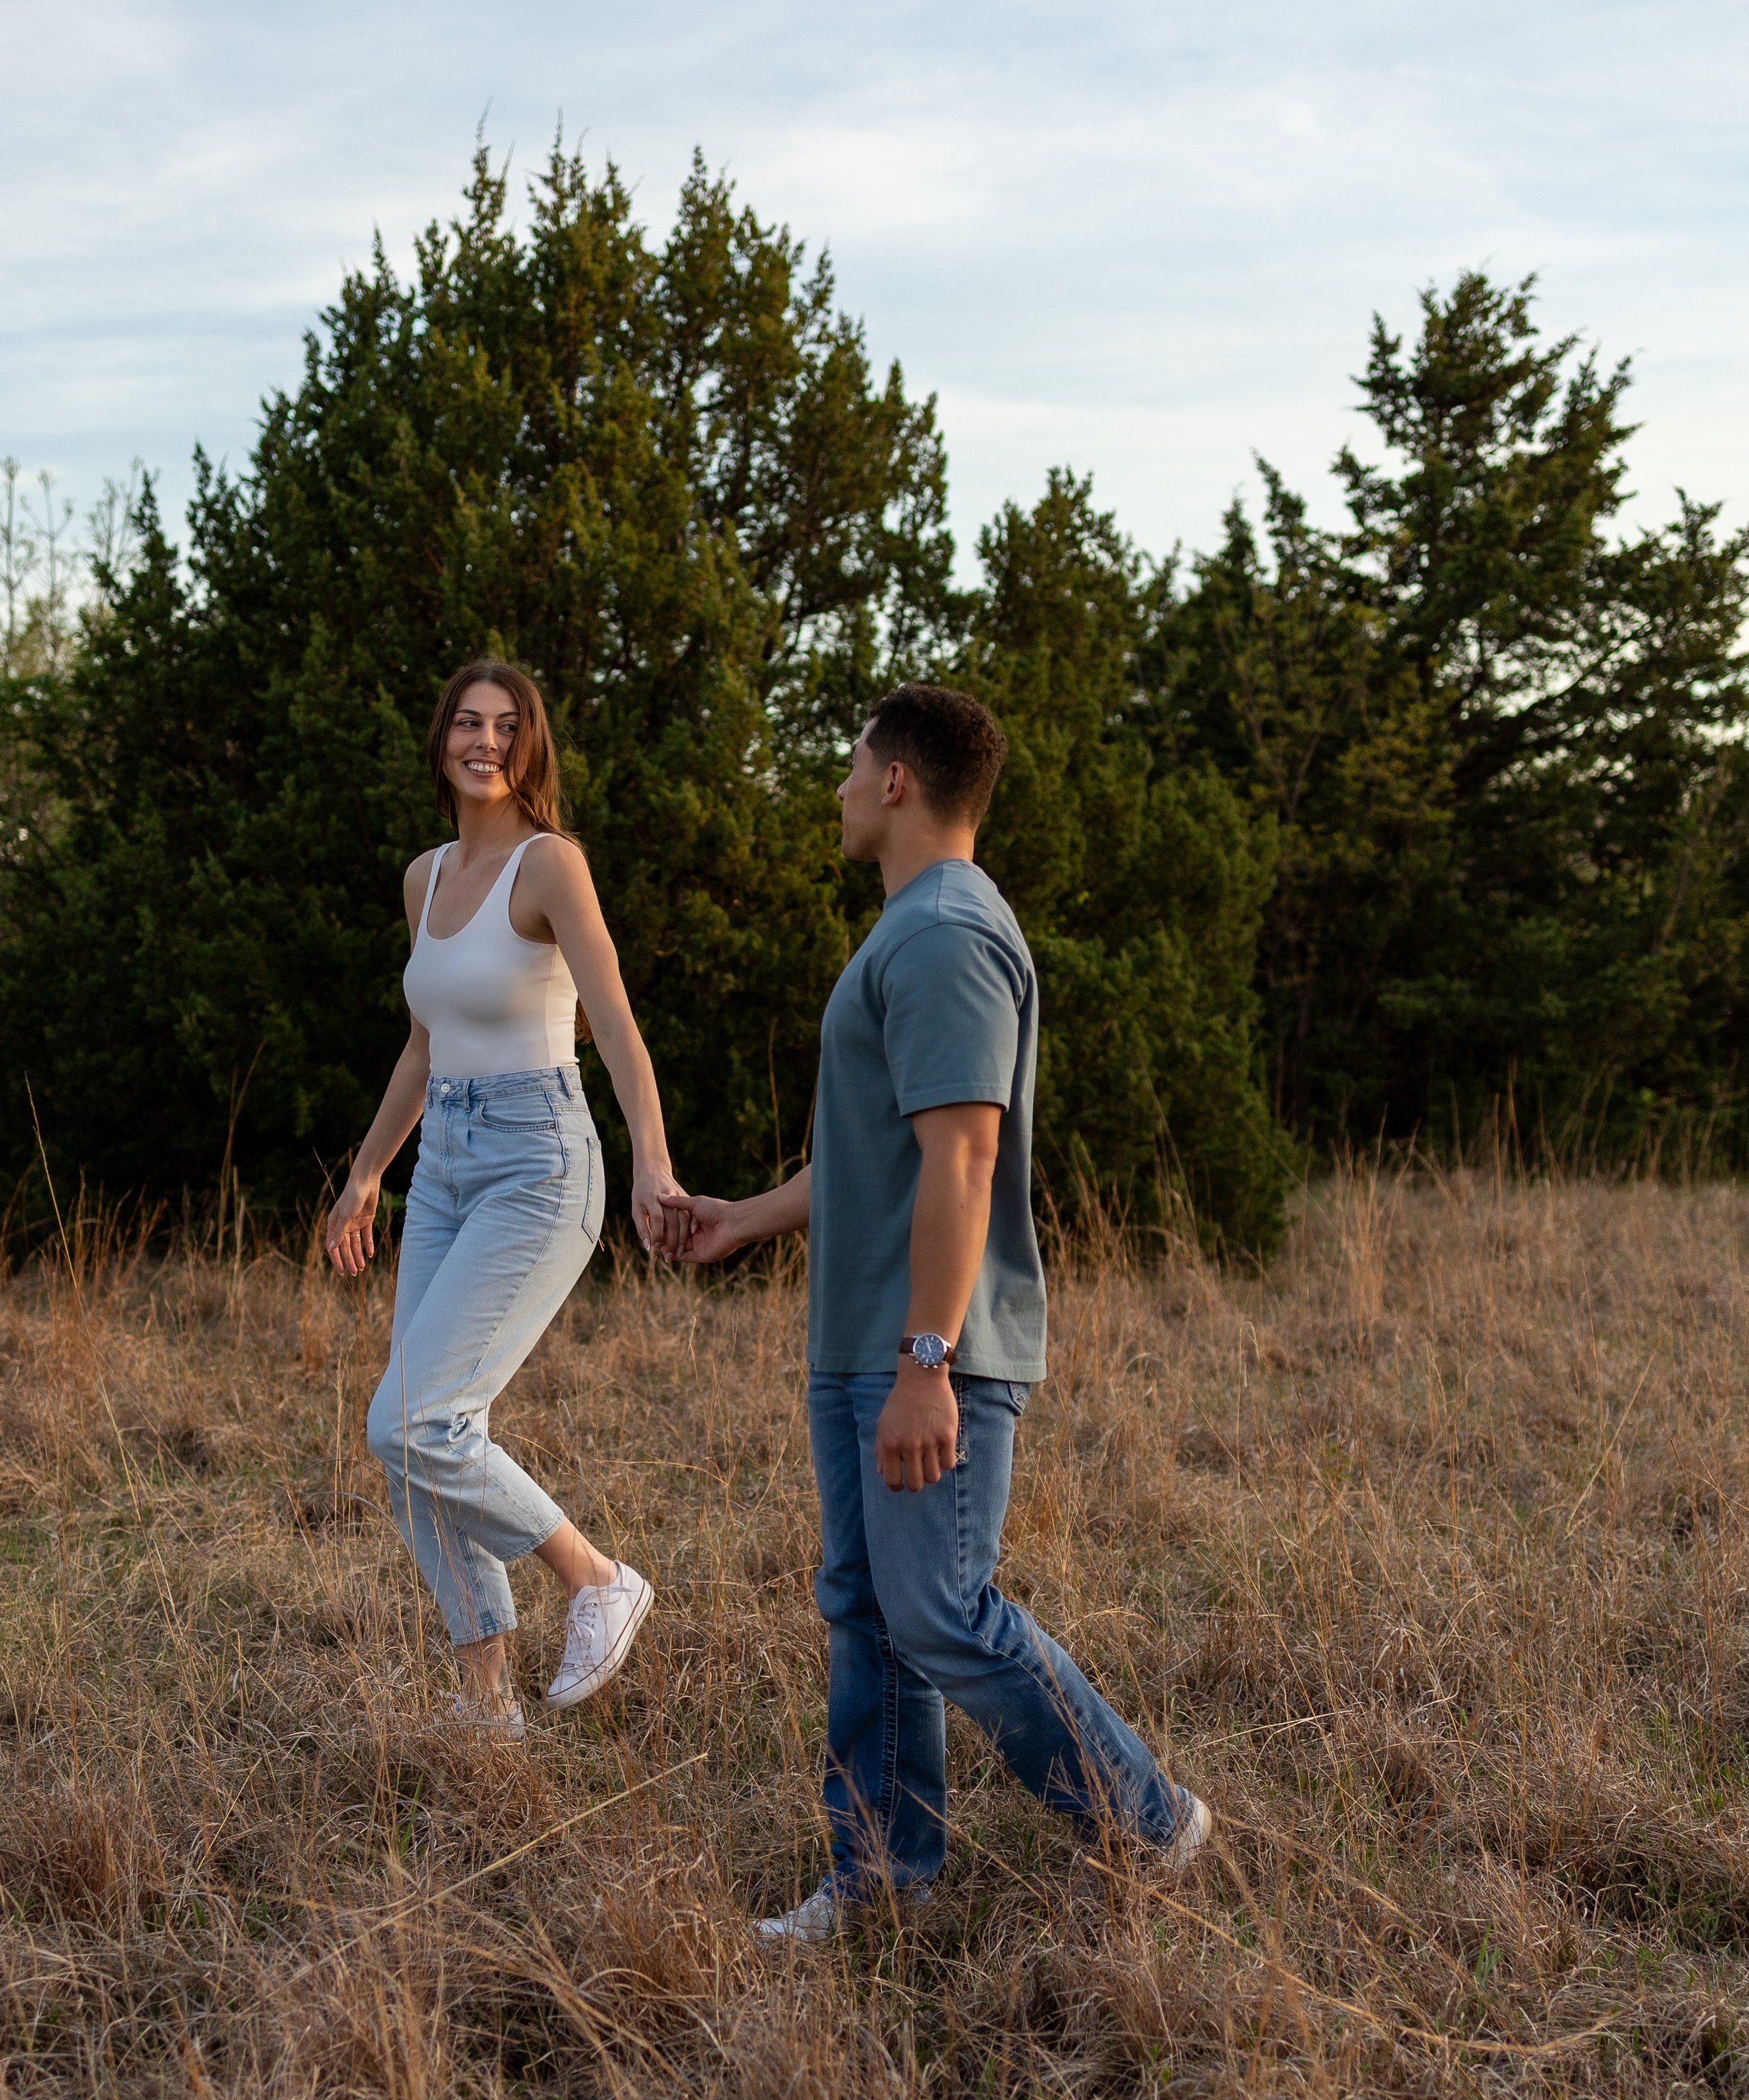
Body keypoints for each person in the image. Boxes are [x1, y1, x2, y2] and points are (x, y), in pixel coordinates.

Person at [668, 683, 1209, 1933]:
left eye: (853, 763)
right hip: (862, 1338)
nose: (842, 787)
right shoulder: (912, 929)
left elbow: (966, 1157)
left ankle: (1149, 1816)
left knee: (938, 1607)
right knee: (869, 1611)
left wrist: (929, 1360)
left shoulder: (945, 932)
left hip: (921, 1350)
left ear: (899, 780)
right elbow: (885, 1158)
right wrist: (741, 1217)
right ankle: (879, 1877)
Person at [326, 659, 676, 1735]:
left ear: (530, 748)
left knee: (414, 1417)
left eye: (508, 727)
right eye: (469, 723)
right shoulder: (423, 878)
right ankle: (490, 1711)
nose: (486, 741)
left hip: (540, 1159)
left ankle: (596, 1577)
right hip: (445, 1169)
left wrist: (653, 1164)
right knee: (410, 1445)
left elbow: (613, 1023)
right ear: (442, 739)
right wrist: (368, 1170)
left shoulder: (549, 865)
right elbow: (426, 1045)